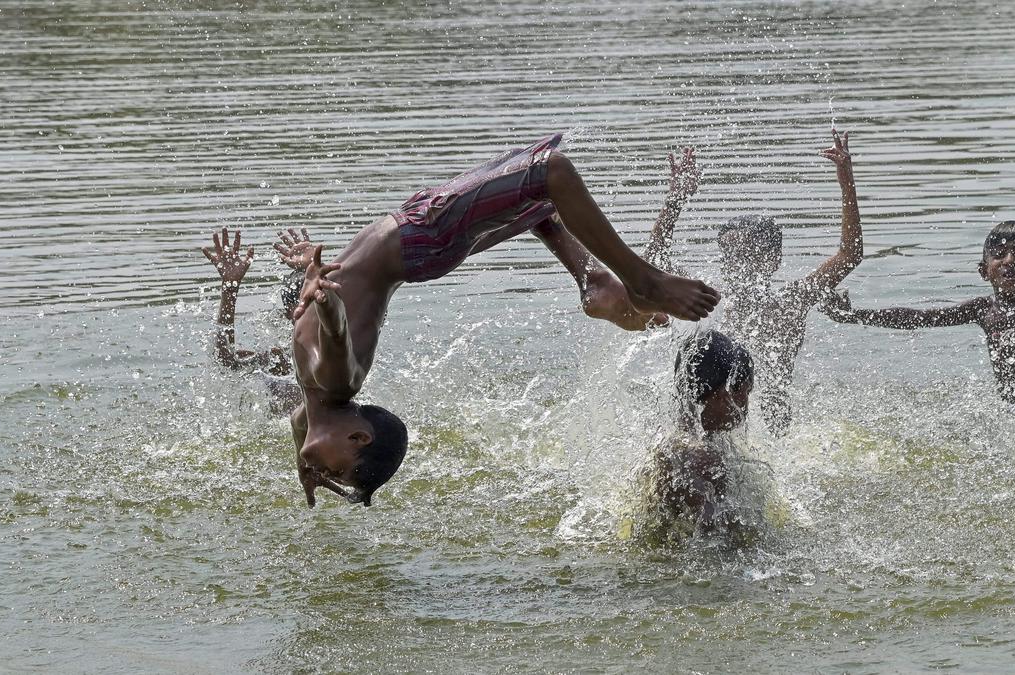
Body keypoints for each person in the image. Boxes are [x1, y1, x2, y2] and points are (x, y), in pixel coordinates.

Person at [285, 133, 722, 508]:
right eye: (335, 472)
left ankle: (601, 280)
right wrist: (322, 298)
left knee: (539, 183)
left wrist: (318, 285)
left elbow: (332, 344)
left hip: (424, 236)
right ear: (358, 438)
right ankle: (632, 281)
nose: (323, 471)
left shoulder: (320, 395)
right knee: (551, 172)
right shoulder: (336, 386)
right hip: (423, 236)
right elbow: (335, 335)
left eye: (331, 473)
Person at [643, 129, 863, 436]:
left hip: (774, 439)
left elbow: (849, 255)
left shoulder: (790, 303)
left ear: (772, 261)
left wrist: (847, 184)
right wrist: (676, 199)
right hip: (706, 427)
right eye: (729, 255)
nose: (735, 265)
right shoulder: (707, 300)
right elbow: (652, 262)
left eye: (746, 254)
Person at [822, 220, 1015, 422]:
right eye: (999, 255)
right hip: (1012, 410)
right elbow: (920, 318)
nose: (1009, 261)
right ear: (983, 271)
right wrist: (854, 316)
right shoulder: (984, 309)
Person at [635, 328, 755, 543]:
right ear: (723, 393)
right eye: (745, 392)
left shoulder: (672, 440)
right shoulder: (702, 458)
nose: (745, 408)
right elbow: (716, 541)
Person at [202, 227, 321, 416]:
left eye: (316, 303)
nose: (309, 311)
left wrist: (317, 271)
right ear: (287, 314)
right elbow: (226, 360)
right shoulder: (278, 358)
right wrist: (230, 290)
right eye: (302, 304)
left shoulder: (339, 348)